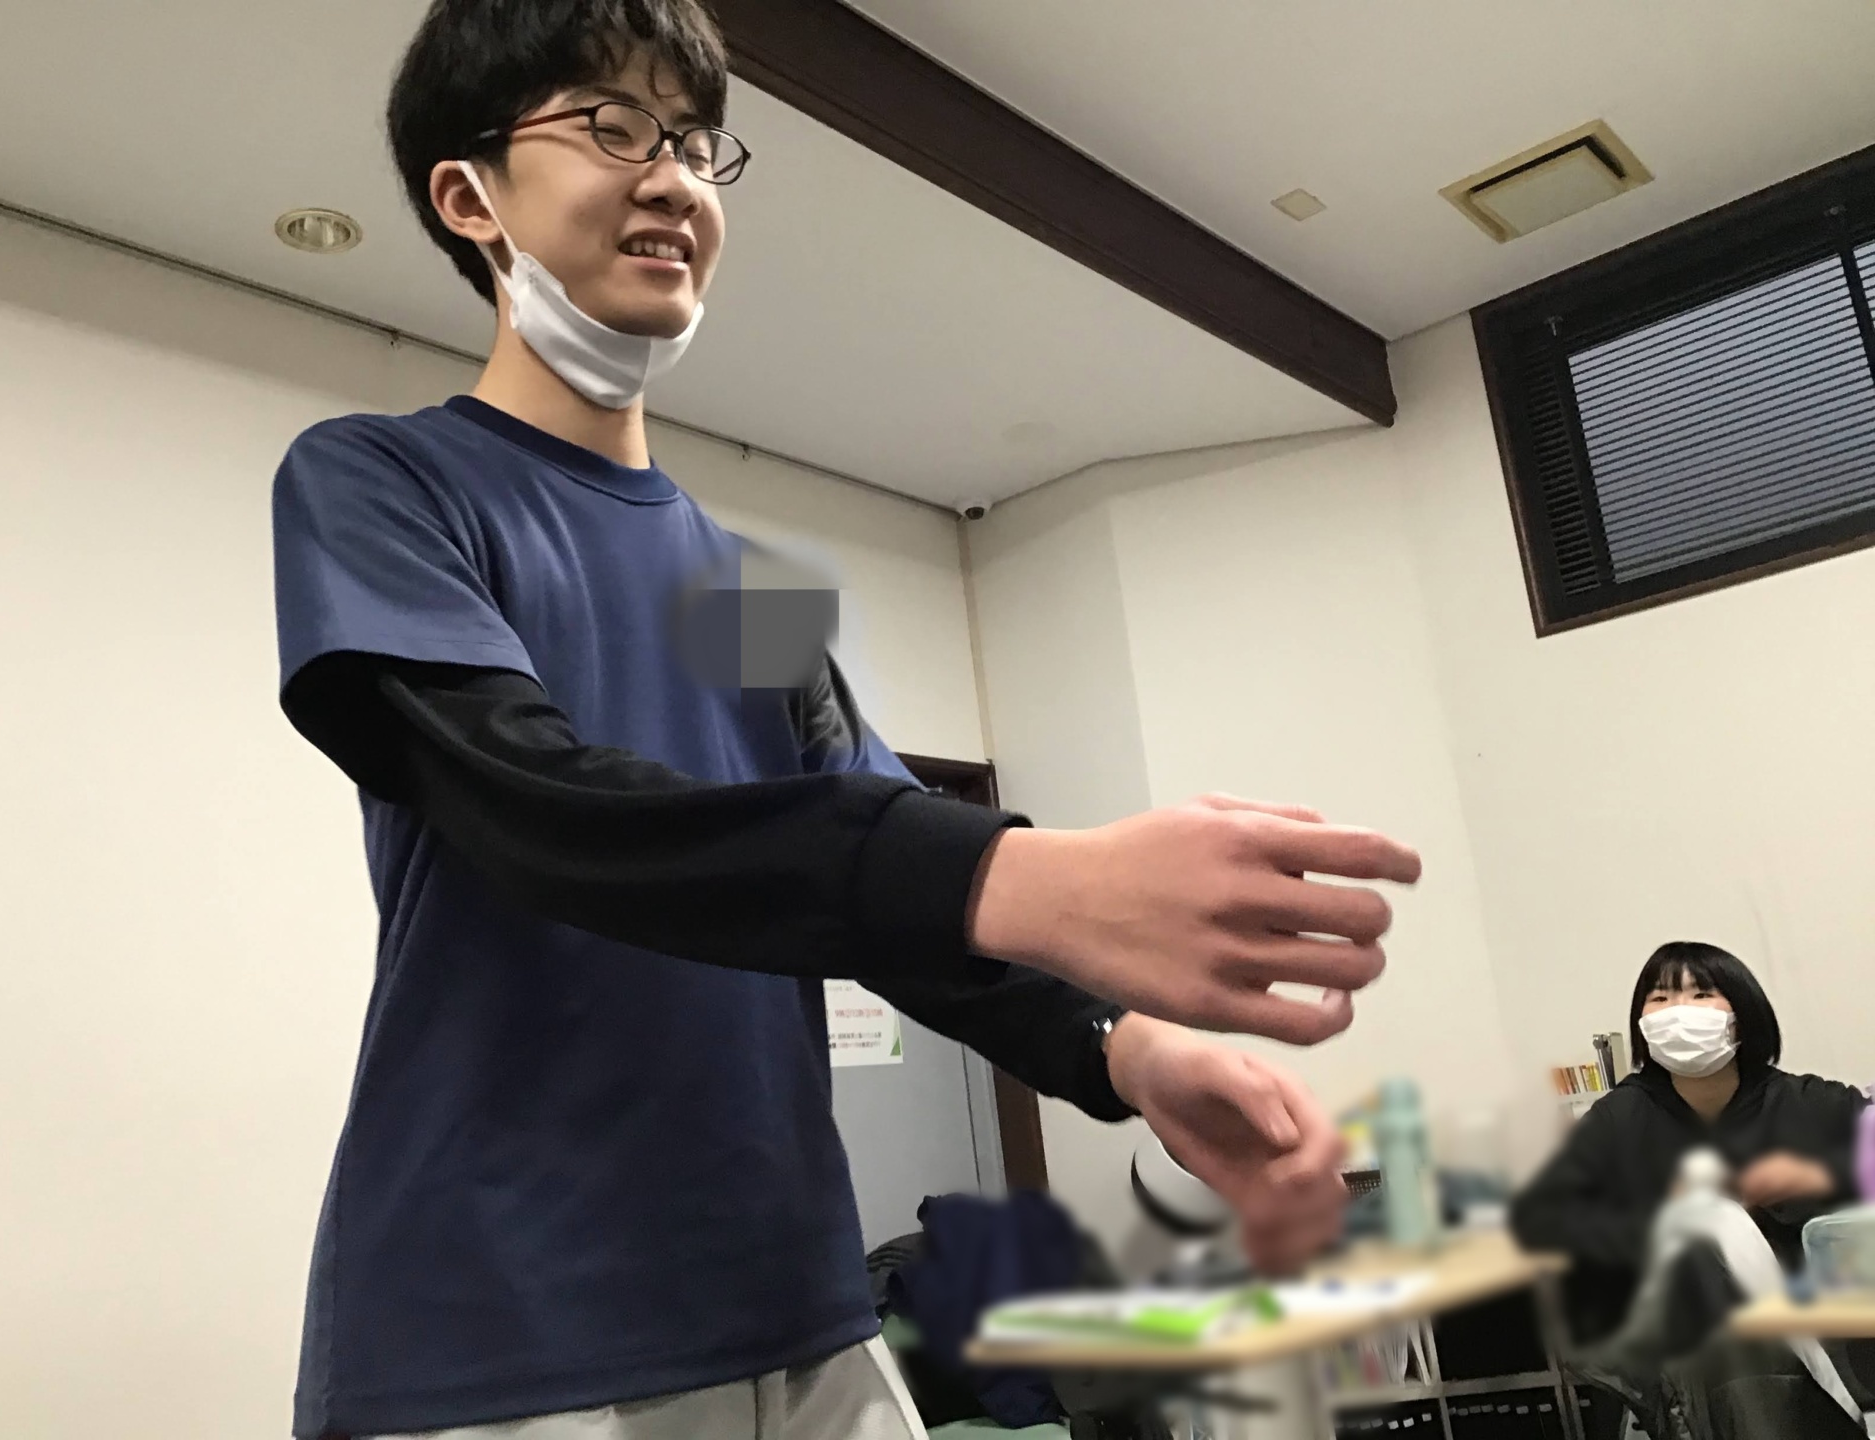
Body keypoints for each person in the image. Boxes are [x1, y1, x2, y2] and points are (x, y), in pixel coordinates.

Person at [269, 2, 1422, 1436]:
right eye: (611, 127)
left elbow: (891, 887)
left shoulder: (744, 590)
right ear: (468, 194)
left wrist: (1120, 1048)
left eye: (695, 143)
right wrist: (1027, 875)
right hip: (500, 1326)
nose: (672, 180)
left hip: (803, 1313)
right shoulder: (382, 483)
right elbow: (542, 809)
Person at [1512, 941, 1867, 1344]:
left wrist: (1814, 1180)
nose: (1678, 1011)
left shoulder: (1811, 1103)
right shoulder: (1618, 1118)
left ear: (1742, 1014)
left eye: (1701, 995)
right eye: (1660, 998)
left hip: (1823, 1330)